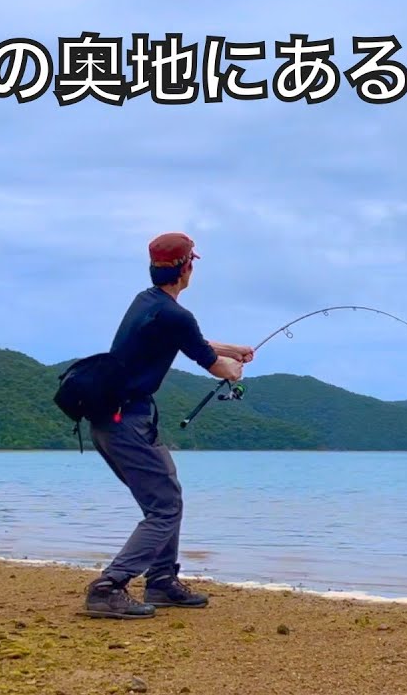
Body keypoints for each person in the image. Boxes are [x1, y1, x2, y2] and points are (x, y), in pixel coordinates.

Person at [83, 232, 254, 619]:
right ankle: (109, 586)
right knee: (164, 507)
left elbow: (193, 341)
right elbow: (214, 365)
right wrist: (234, 369)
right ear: (187, 267)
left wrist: (233, 349)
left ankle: (161, 582)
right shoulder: (176, 315)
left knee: (165, 497)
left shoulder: (148, 303)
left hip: (113, 420)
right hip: (127, 421)